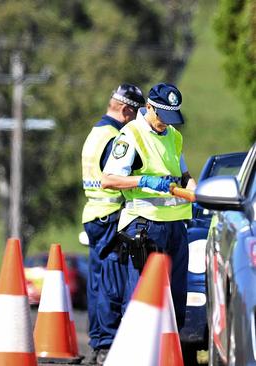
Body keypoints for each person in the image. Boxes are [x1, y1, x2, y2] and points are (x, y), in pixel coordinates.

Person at [101, 83, 196, 339]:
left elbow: (184, 176)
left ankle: (166, 354)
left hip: (176, 226)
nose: (165, 123)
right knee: (142, 298)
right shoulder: (131, 135)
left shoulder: (174, 136)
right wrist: (144, 181)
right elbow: (108, 180)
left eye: (171, 118)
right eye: (161, 117)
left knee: (175, 300)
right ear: (148, 107)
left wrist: (196, 192)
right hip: (145, 228)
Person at [81, 83, 145, 365]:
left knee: (98, 282)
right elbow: (117, 175)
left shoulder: (97, 132)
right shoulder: (114, 137)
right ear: (125, 109)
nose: (136, 119)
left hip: (95, 213)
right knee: (111, 282)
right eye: (135, 112)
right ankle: (107, 343)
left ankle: (98, 342)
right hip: (109, 214)